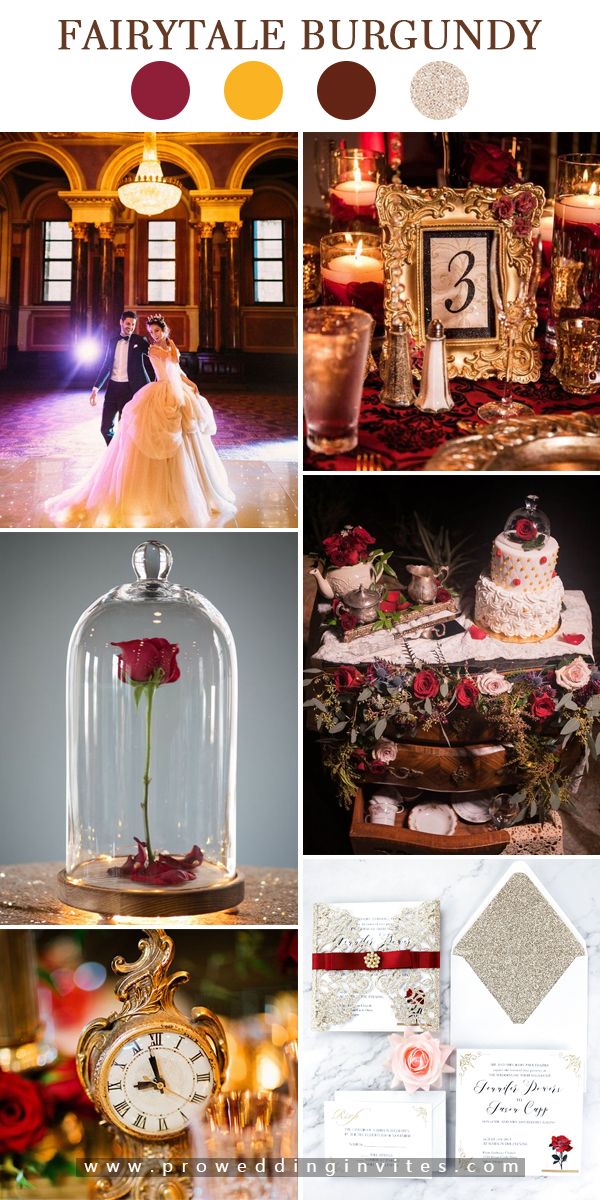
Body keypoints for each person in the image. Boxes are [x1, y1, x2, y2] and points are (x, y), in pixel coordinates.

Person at [45, 315, 236, 528]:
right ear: (121, 323)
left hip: (167, 391)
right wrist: (96, 387)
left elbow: (177, 371)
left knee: (180, 437)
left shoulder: (158, 344)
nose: (153, 335)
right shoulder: (151, 348)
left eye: (156, 331)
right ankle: (120, 462)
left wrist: (191, 384)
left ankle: (181, 487)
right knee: (122, 430)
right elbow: (154, 366)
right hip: (143, 389)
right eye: (151, 332)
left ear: (164, 330)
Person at [90, 310, 154, 444]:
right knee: (105, 427)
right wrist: (96, 389)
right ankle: (113, 452)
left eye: (133, 324)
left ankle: (122, 456)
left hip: (130, 389)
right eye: (128, 323)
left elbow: (154, 353)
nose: (130, 327)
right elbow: (106, 365)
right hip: (113, 388)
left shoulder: (139, 340)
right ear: (121, 322)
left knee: (125, 427)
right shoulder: (112, 342)